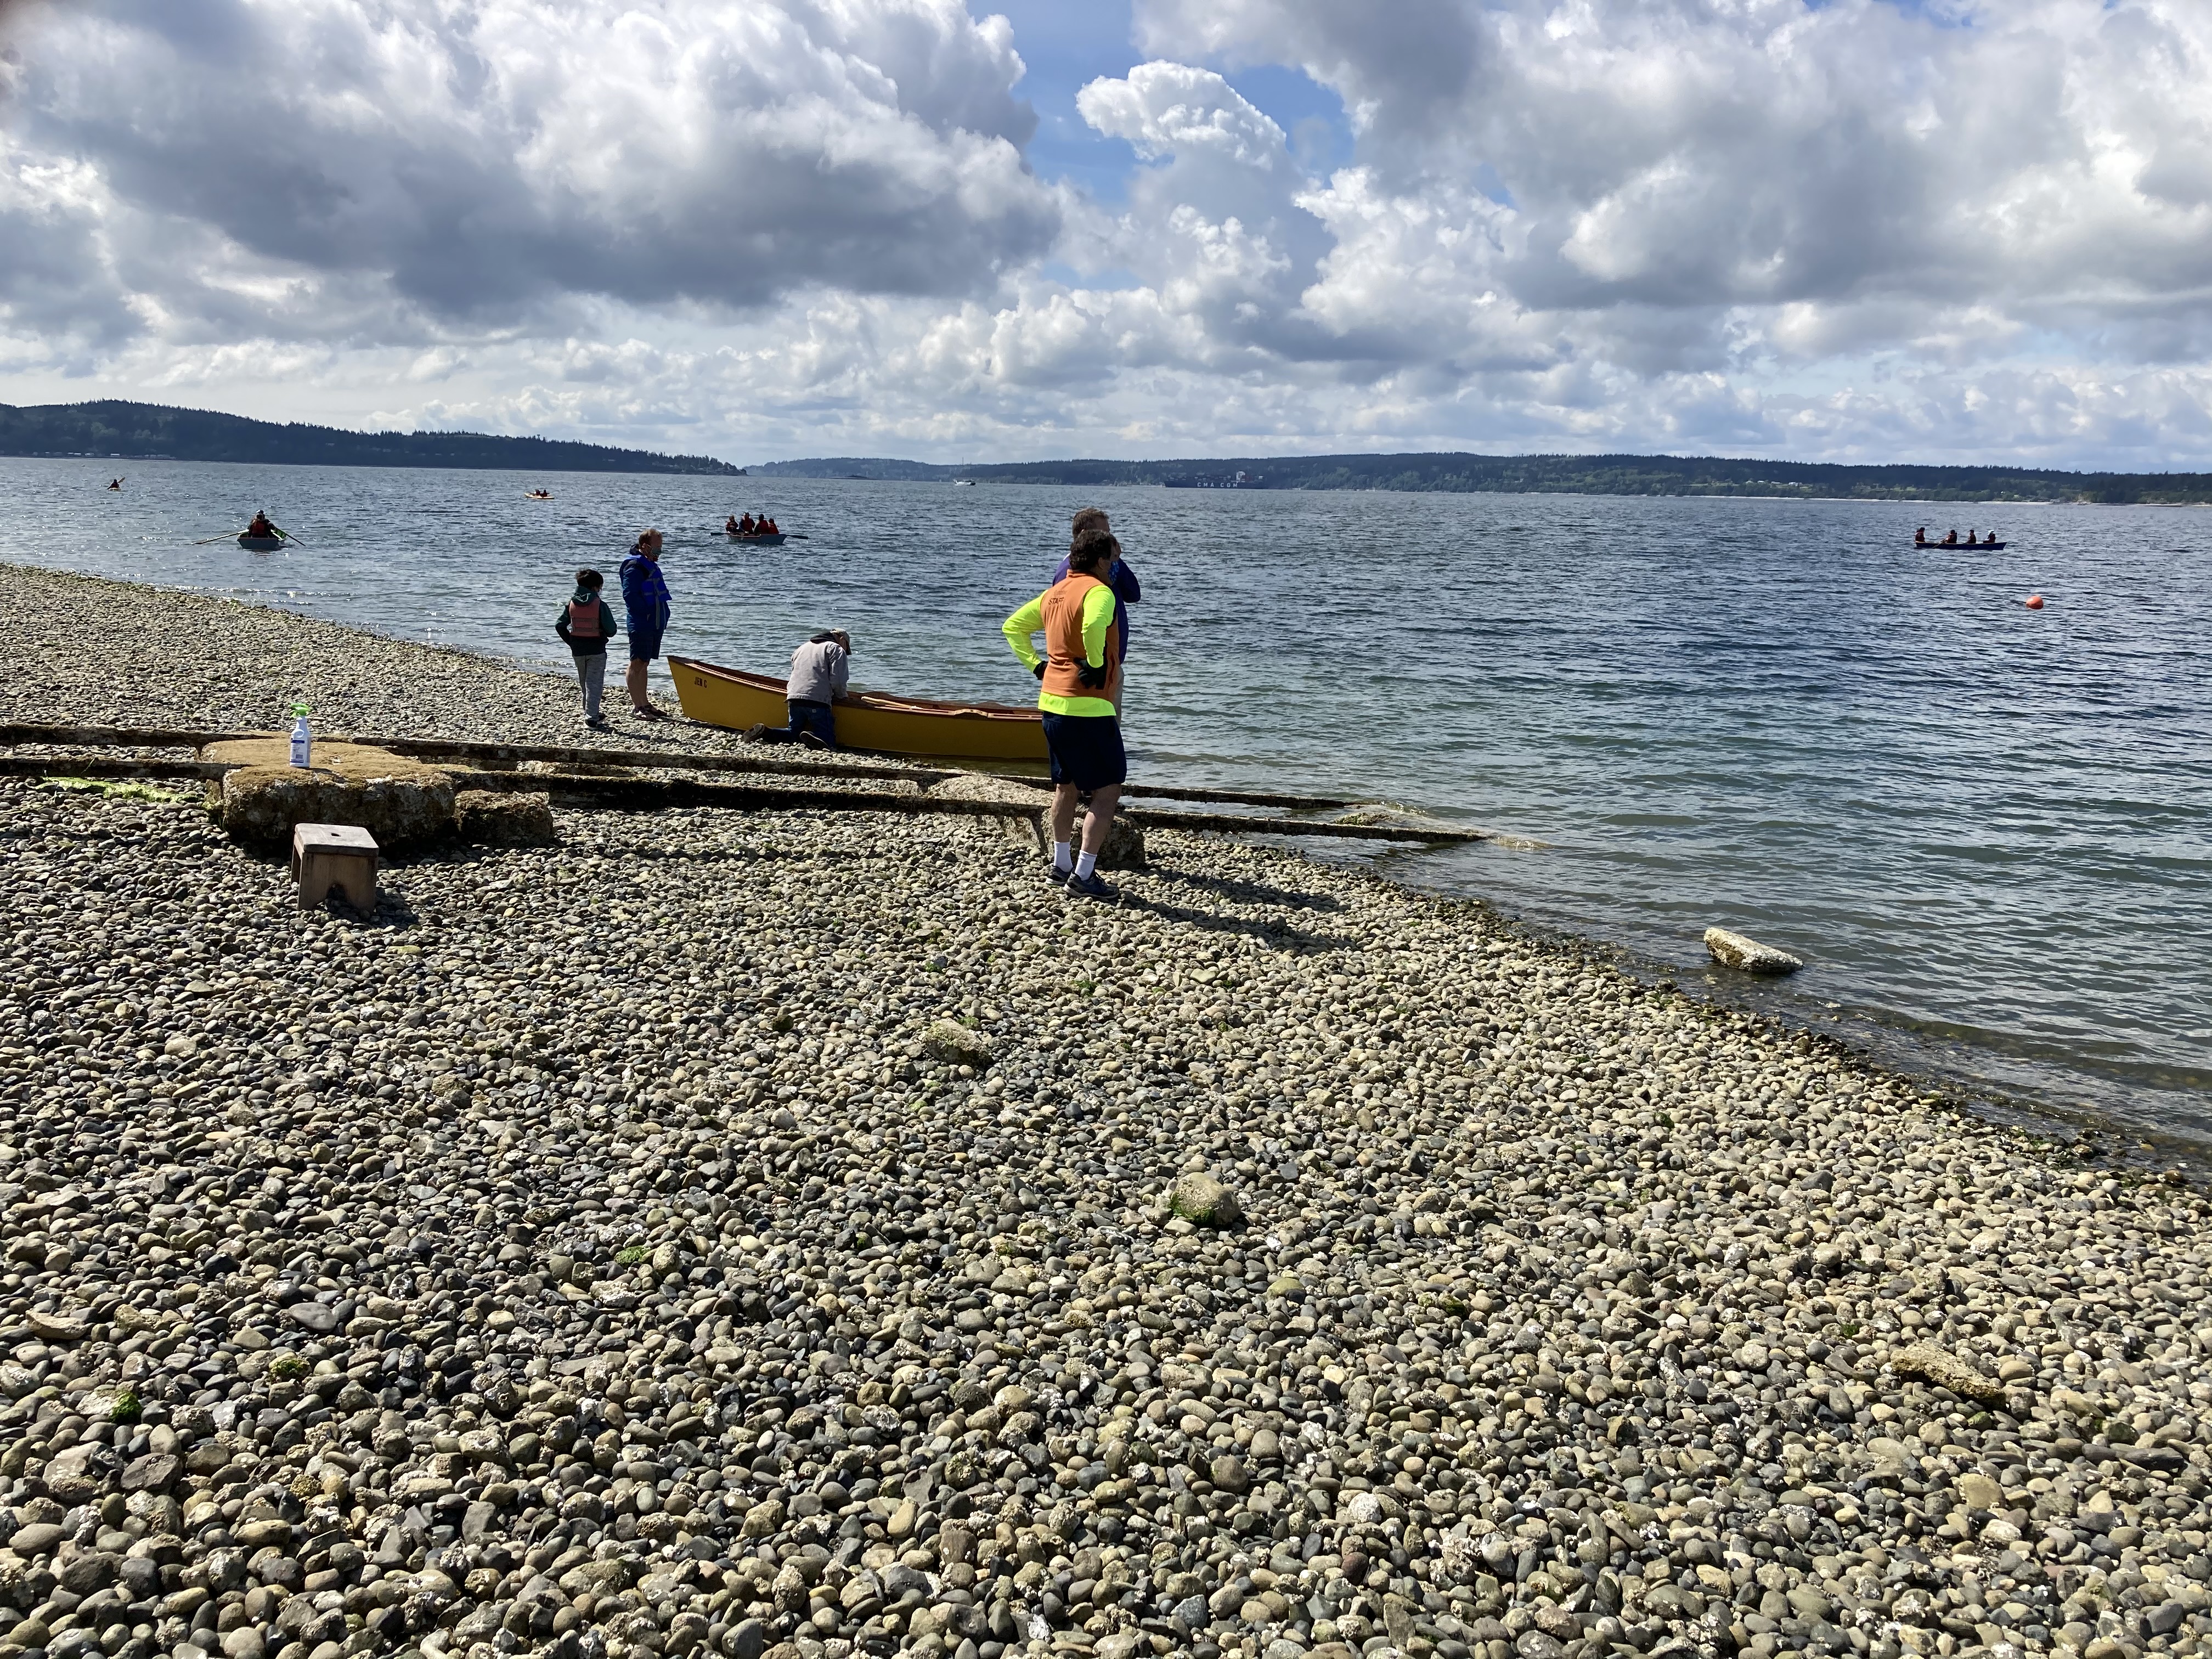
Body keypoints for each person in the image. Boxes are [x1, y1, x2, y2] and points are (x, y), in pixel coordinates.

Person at [1003, 527, 1125, 901]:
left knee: (1065, 787)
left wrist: (1037, 666)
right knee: (1107, 791)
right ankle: (1084, 874)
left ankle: (1061, 864)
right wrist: (1093, 661)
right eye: (1115, 560)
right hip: (1088, 707)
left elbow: (1013, 627)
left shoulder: (1054, 594)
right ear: (1102, 561)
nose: (1117, 566)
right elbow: (1093, 624)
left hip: (1052, 703)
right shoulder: (1099, 591)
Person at [1050, 507, 1139, 714]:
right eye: (1104, 535)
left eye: (1109, 534)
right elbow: (1072, 622)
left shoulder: (1109, 567)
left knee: (1110, 732)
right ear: (1084, 535)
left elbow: (1134, 594)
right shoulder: (1069, 571)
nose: (1109, 539)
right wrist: (1095, 665)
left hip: (1110, 666)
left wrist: (1114, 559)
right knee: (1097, 737)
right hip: (1088, 672)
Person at [748, 630, 851, 747]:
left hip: (793, 696)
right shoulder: (836, 648)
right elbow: (838, 680)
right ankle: (815, 736)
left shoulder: (802, 647)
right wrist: (842, 696)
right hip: (817, 700)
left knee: (793, 733)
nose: (846, 652)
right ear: (842, 640)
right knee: (828, 739)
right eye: (847, 648)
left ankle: (766, 732)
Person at [554, 568, 618, 729]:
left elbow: (560, 625)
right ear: (596, 588)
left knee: (585, 682)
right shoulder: (600, 605)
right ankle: (591, 718)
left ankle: (589, 712)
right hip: (596, 649)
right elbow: (612, 630)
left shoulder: (571, 604)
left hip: (577, 649)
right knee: (594, 684)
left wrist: (571, 641)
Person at [619, 529, 671, 718]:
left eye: (661, 547)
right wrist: (646, 614)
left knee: (645, 662)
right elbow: (630, 596)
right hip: (642, 623)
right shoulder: (634, 566)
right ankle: (637, 707)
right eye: (657, 547)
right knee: (637, 662)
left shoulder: (649, 563)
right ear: (645, 546)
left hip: (654, 622)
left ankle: (645, 703)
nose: (659, 551)